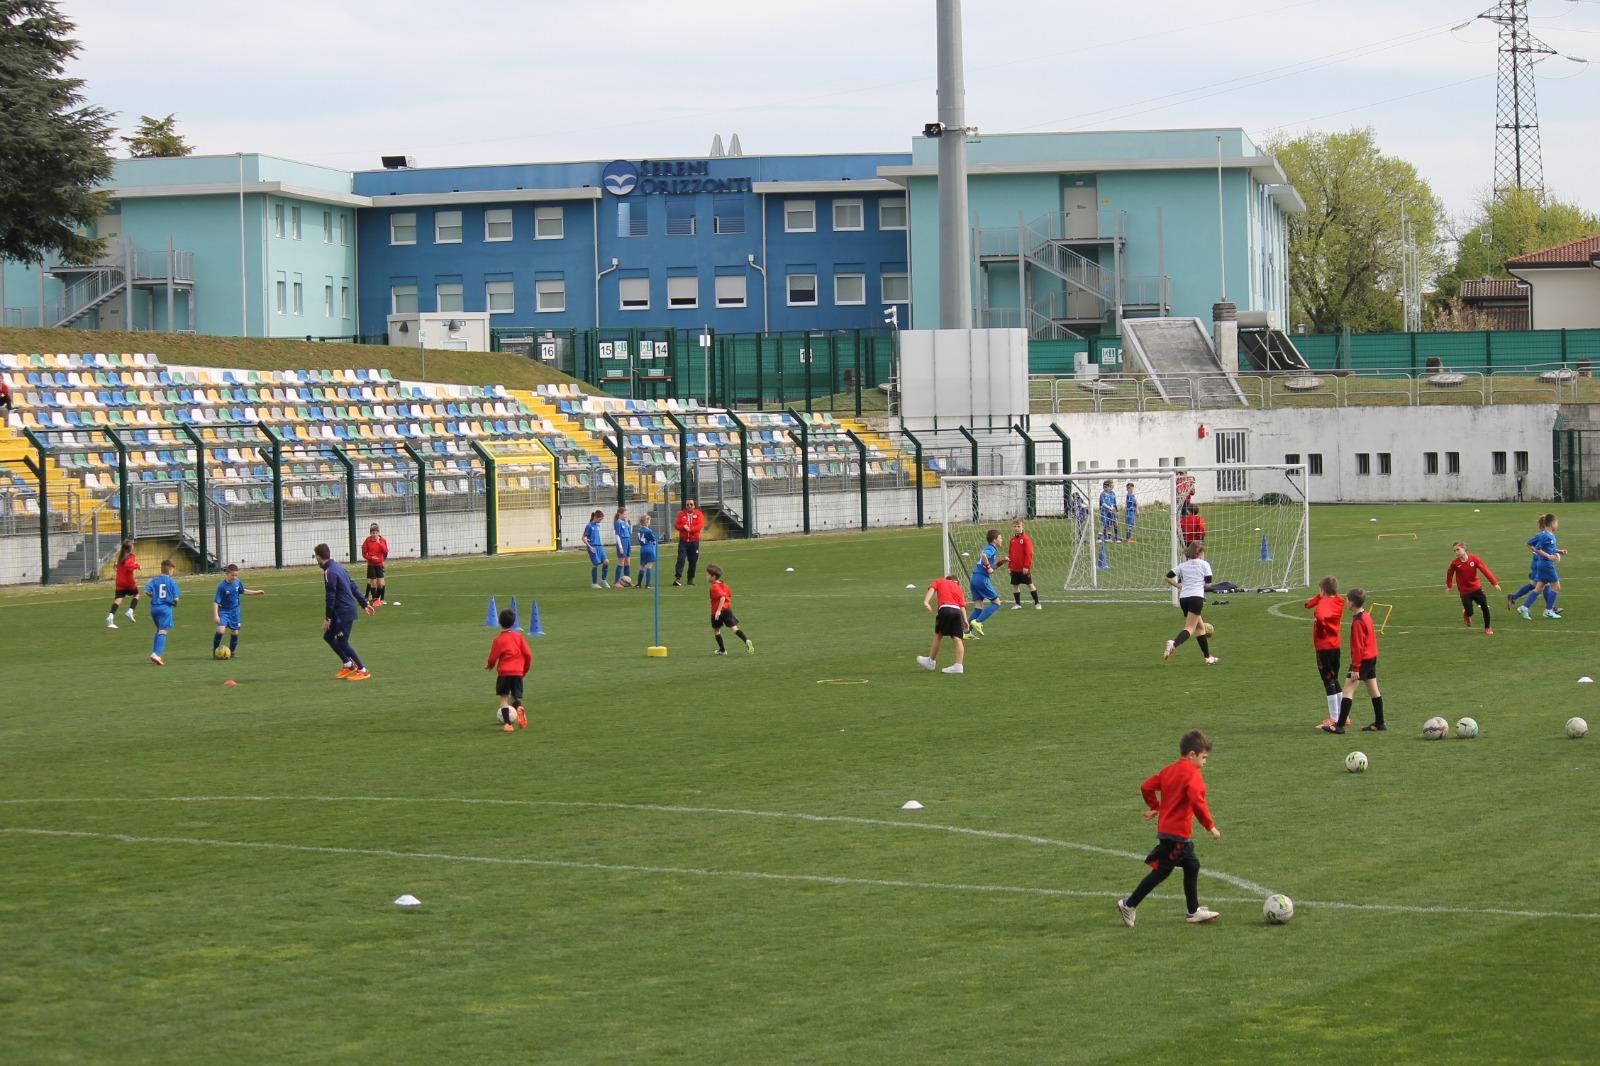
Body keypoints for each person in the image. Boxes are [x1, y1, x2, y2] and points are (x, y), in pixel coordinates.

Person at [1115, 729, 1222, 927]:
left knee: (1192, 865)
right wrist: (1210, 827)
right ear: (1192, 755)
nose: (1205, 762)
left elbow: (1146, 786)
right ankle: (1129, 904)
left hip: (1167, 831)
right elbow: (1198, 803)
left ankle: (1193, 911)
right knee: (1162, 872)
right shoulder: (1193, 774)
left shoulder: (1169, 770)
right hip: (1178, 835)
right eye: (1204, 757)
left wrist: (1155, 807)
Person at [1322, 587, 1384, 734]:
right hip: (1371, 658)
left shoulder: (1357, 622)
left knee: (1347, 691)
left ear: (1352, 603)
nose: (1346, 602)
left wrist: (1355, 668)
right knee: (1373, 690)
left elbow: (1358, 647)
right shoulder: (1366, 615)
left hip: (1362, 660)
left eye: (1347, 600)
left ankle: (1340, 725)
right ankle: (1380, 723)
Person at [314, 543, 375, 681]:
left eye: (316, 558)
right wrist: (364, 604)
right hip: (340, 611)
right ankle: (348, 664)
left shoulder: (330, 572)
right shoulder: (338, 567)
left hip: (344, 612)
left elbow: (331, 597)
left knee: (342, 642)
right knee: (329, 636)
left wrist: (328, 618)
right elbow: (353, 586)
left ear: (318, 557)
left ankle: (362, 669)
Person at [1162, 541, 1216, 664]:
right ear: (1200, 552)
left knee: (1200, 628)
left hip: (1184, 598)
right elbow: (1207, 585)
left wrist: (1181, 586)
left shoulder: (1183, 565)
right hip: (1196, 598)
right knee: (1190, 628)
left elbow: (1167, 577)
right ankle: (1174, 643)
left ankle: (1208, 657)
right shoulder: (1204, 564)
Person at [1304, 576, 1345, 729]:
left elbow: (1320, 614)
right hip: (1335, 646)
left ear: (1323, 591)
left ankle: (1334, 719)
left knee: (1328, 681)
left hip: (1324, 648)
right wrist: (1312, 602)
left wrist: (1321, 625)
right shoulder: (1339, 601)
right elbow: (1316, 602)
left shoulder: (1323, 605)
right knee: (1335, 678)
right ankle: (1343, 715)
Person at [1508, 513, 1565, 621]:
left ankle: (1524, 608)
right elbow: (1538, 548)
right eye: (1557, 523)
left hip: (1543, 564)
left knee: (1539, 588)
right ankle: (1548, 611)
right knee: (1556, 587)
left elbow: (1546, 548)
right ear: (1552, 523)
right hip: (1546, 565)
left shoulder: (1550, 535)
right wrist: (1549, 556)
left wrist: (1559, 552)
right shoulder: (1545, 535)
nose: (1557, 525)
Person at [485, 607, 532, 733]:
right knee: (514, 698)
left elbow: (493, 656)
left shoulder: (498, 640)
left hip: (505, 672)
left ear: (499, 623)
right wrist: (524, 670)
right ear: (514, 622)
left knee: (504, 698)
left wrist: (490, 665)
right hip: (517, 672)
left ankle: (507, 724)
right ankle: (520, 708)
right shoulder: (519, 637)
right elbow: (528, 654)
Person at [1446, 541, 1502, 635]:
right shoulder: (1455, 563)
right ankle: (1466, 615)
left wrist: (1494, 583)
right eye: (1454, 551)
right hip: (1465, 592)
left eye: (1458, 549)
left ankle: (1487, 627)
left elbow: (1485, 570)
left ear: (1464, 549)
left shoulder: (1474, 559)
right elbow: (1449, 573)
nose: (1456, 552)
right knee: (1470, 612)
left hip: (1476, 589)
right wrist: (1449, 585)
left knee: (1485, 607)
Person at [918, 573, 968, 675]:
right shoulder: (959, 588)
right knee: (957, 638)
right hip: (957, 612)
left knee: (938, 635)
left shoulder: (940, 581)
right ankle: (959, 666)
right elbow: (962, 606)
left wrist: (926, 602)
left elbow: (932, 589)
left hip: (945, 609)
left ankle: (931, 661)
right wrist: (965, 620)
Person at [212, 564, 265, 658]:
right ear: (227, 574)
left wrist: (256, 592)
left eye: (236, 575)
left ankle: (232, 651)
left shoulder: (237, 582)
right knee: (220, 630)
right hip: (224, 611)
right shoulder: (222, 586)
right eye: (232, 575)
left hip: (235, 611)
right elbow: (216, 602)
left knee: (235, 632)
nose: (234, 577)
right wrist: (216, 615)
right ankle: (215, 651)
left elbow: (242, 591)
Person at [705, 563, 753, 656]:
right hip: (727, 610)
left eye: (708, 575)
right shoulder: (724, 584)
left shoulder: (714, 587)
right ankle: (746, 640)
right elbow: (728, 595)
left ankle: (722, 650)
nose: (706, 577)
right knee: (735, 629)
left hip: (717, 612)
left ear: (713, 576)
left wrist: (718, 611)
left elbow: (722, 597)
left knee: (716, 630)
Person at [966, 529, 1004, 637]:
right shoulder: (991, 549)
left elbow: (992, 567)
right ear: (994, 539)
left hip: (975, 578)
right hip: (982, 579)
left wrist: (1002, 562)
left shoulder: (991, 549)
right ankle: (978, 621)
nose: (1002, 540)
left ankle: (966, 632)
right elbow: (984, 556)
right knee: (996, 603)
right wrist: (988, 567)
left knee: (978, 607)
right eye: (1000, 538)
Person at [144, 559, 181, 666]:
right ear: (169, 570)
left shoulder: (154, 580)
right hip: (165, 609)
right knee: (163, 631)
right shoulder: (172, 582)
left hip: (154, 609)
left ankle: (154, 653)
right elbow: (176, 600)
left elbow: (147, 591)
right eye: (173, 570)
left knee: (159, 630)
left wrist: (154, 596)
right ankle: (157, 654)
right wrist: (174, 604)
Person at [106, 540, 141, 629]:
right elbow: (129, 566)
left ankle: (110, 617)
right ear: (129, 548)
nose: (133, 546)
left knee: (118, 599)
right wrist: (137, 566)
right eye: (132, 545)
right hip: (128, 581)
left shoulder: (120, 556)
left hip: (120, 581)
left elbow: (118, 566)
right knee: (136, 595)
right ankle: (130, 611)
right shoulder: (131, 556)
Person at [1008, 517, 1040, 610]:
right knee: (1015, 585)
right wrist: (1009, 566)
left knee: (1029, 584)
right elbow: (1010, 554)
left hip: (1023, 568)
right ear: (1013, 527)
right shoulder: (1012, 540)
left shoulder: (1026, 539)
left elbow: (1029, 554)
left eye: (1018, 526)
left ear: (1022, 527)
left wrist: (1026, 566)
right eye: (1015, 526)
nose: (1017, 528)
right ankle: (1018, 604)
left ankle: (1037, 603)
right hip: (1014, 568)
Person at [673, 498, 705, 586]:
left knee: (693, 561)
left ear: (694, 505)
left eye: (691, 504)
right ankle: (678, 578)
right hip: (683, 541)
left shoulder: (698, 514)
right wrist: (683, 527)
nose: (689, 506)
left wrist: (690, 529)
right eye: (687, 504)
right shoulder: (681, 514)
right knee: (681, 559)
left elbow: (700, 525)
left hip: (694, 541)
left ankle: (690, 579)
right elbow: (676, 525)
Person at [360, 523, 389, 606]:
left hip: (379, 564)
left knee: (380, 583)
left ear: (378, 533)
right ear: (370, 533)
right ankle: (374, 600)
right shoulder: (367, 540)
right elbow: (364, 553)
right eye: (373, 533)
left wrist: (379, 543)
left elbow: (385, 551)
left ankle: (379, 598)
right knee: (373, 582)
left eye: (376, 533)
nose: (375, 534)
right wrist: (371, 558)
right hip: (371, 564)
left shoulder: (382, 540)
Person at [583, 509, 609, 589]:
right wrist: (590, 547)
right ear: (595, 517)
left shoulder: (597, 525)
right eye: (600, 519)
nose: (601, 521)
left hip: (600, 547)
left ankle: (603, 580)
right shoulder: (589, 526)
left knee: (606, 561)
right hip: (593, 547)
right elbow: (583, 538)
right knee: (595, 564)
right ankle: (594, 583)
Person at [636, 513, 659, 590]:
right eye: (649, 521)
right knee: (649, 565)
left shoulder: (639, 530)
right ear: (646, 522)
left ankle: (638, 584)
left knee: (642, 566)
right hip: (649, 548)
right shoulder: (648, 531)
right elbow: (653, 539)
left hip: (642, 548)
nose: (650, 522)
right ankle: (648, 585)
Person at [612, 506, 634, 588]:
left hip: (628, 542)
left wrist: (629, 524)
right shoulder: (618, 522)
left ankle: (628, 581)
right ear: (620, 514)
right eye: (625, 514)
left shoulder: (624, 522)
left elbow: (629, 533)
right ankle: (616, 582)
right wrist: (620, 547)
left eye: (626, 514)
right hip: (622, 542)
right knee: (621, 562)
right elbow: (617, 535)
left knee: (628, 562)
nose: (626, 515)